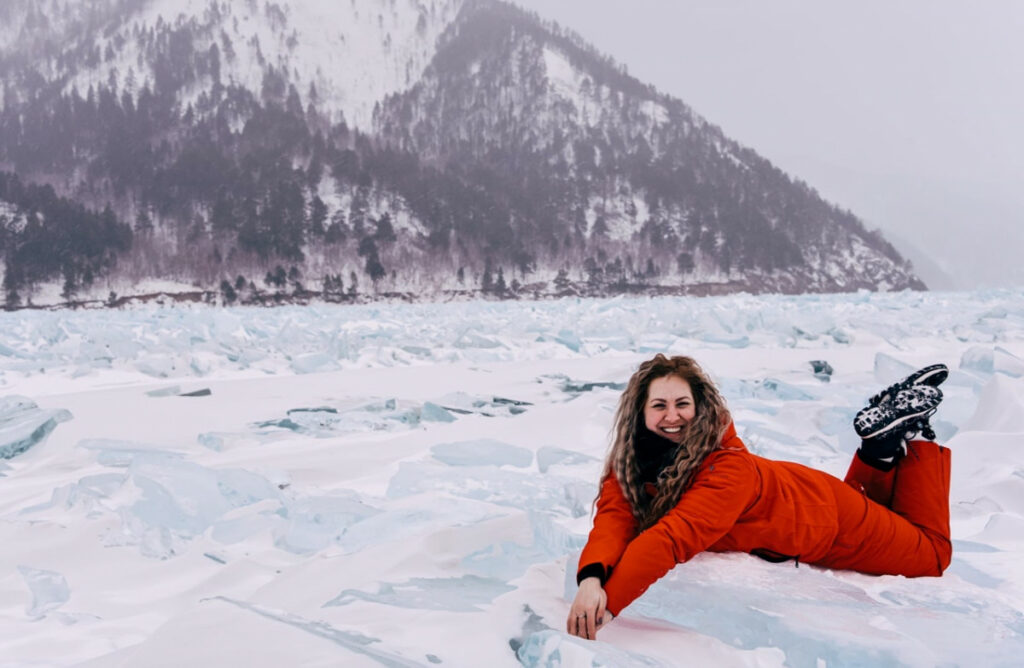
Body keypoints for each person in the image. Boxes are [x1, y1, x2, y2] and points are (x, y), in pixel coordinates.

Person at [567, 355, 951, 641]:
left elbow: (670, 538)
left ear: (700, 407)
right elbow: (615, 518)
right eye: (659, 405)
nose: (673, 416)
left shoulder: (726, 468)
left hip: (831, 524)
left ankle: (911, 439)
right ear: (640, 412)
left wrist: (607, 608)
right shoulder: (633, 461)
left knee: (931, 553)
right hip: (810, 496)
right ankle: (880, 446)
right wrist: (591, 578)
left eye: (682, 403)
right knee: (883, 513)